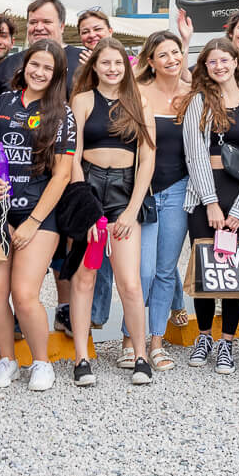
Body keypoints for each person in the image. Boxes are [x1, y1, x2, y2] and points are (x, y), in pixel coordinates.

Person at [0, 40, 85, 392]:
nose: (39, 72)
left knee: (24, 294)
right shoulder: (4, 102)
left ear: (57, 75)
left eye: (47, 68)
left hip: (40, 215)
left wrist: (34, 221)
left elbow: (63, 174)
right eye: (35, 64)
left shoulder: (62, 113)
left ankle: (41, 362)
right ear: (25, 65)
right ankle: (7, 360)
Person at [66, 38, 156, 386]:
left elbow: (147, 157)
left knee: (130, 282)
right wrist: (87, 210)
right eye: (105, 63)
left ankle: (140, 356)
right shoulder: (83, 100)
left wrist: (132, 209)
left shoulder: (139, 103)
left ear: (127, 65)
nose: (112, 69)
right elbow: (72, 155)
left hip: (124, 192)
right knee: (84, 277)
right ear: (95, 67)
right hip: (88, 189)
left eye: (118, 63)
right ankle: (81, 358)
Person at [181, 38, 239, 376]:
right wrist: (211, 204)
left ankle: (227, 343)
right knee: (207, 269)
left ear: (236, 62)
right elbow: (195, 155)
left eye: (224, 60)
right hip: (206, 195)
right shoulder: (198, 103)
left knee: (236, 271)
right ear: (205, 67)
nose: (218, 66)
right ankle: (204, 336)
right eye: (211, 62)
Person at [136, 30, 190, 369]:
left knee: (166, 271)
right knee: (141, 271)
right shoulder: (138, 93)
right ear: (151, 62)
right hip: (143, 191)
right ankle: (131, 337)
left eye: (176, 53)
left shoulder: (193, 95)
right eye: (164, 55)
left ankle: (155, 341)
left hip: (179, 189)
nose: (171, 59)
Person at [0, 0, 87, 105]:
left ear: (62, 26)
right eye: (33, 22)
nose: (39, 27)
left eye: (46, 22)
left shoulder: (84, 60)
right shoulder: (9, 63)